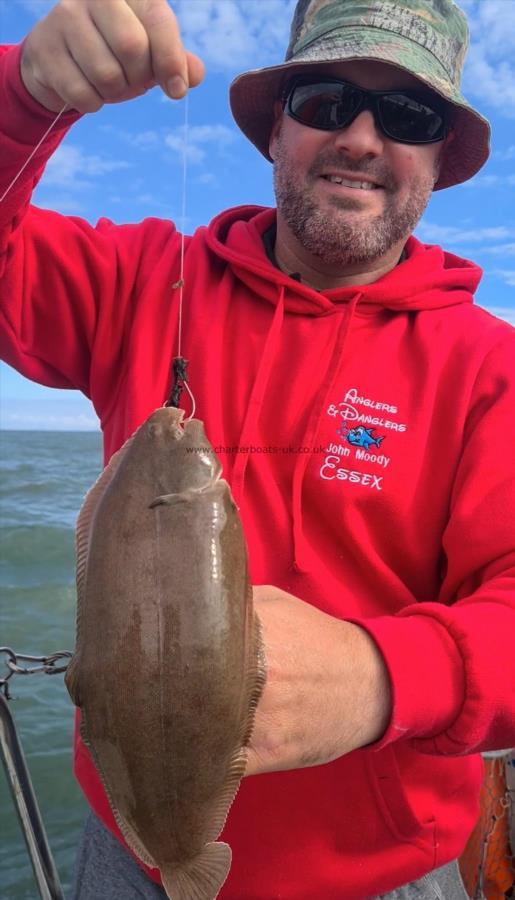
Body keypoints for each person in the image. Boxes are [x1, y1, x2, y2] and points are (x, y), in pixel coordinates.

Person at [1, 0, 514, 897]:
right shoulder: (138, 282)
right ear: (275, 130)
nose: (359, 137)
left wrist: (381, 678)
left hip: (376, 875)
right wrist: (20, 98)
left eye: (407, 118)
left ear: (439, 158)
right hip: (131, 847)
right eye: (324, 100)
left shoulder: (491, 369)